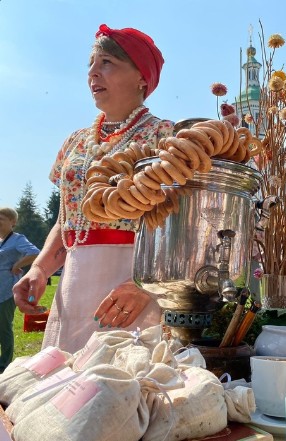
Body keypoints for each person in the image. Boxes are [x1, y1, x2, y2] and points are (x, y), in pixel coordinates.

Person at [13, 24, 173, 353]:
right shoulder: (74, 142)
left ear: (142, 77)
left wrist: (147, 285)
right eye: (91, 63)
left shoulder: (165, 137)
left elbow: (182, 227)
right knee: (64, 390)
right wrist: (41, 268)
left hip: (130, 289)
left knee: (122, 390)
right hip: (73, 285)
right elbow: (66, 221)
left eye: (107, 63)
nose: (92, 73)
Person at [0, 208, 40, 372]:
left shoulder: (17, 239)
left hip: (7, 290)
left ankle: (4, 364)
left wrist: (17, 265)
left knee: (3, 326)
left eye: (1, 219)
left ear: (13, 222)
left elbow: (34, 252)